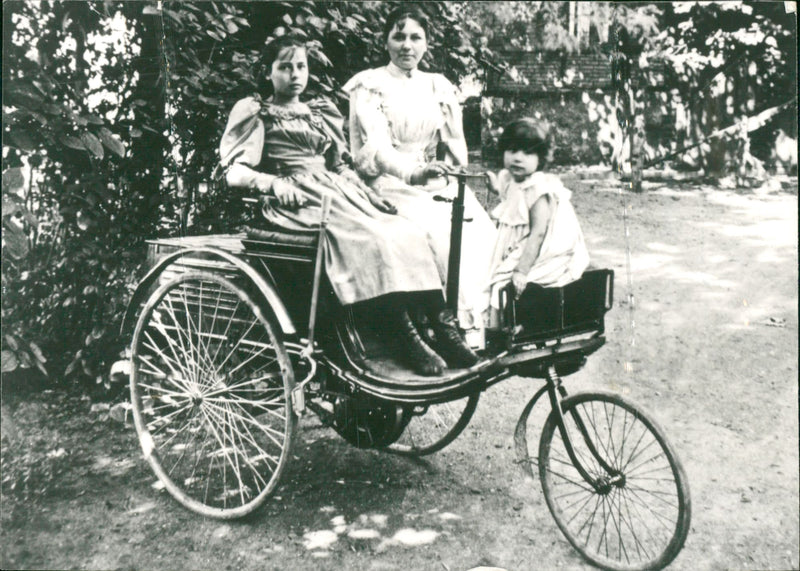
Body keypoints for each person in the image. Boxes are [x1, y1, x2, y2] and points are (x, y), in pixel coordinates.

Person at [220, 35, 478, 375]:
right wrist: (273, 183)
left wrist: (369, 195)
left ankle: (443, 328)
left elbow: (340, 165)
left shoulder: (318, 112)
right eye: (285, 67)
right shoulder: (256, 112)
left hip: (338, 193)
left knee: (405, 230)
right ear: (268, 72)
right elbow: (235, 172)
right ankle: (403, 333)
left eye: (301, 67)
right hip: (296, 201)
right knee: (371, 238)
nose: (295, 75)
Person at [342, 7, 497, 338]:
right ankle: (448, 330)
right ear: (385, 41)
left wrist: (458, 177)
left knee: (479, 229)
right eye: (398, 37)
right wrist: (414, 173)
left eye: (416, 37)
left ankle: (486, 328)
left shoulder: (437, 85)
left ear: (426, 43)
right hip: (388, 181)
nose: (407, 46)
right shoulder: (370, 85)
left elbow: (455, 144)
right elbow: (378, 148)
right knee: (441, 235)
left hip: (430, 178)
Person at [483, 118, 590, 329]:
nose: (518, 158)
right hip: (517, 240)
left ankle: (503, 329)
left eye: (527, 153)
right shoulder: (510, 178)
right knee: (487, 273)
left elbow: (538, 233)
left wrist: (522, 270)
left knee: (501, 283)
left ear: (540, 158)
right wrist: (496, 187)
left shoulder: (538, 189)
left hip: (540, 248)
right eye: (512, 150)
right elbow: (511, 199)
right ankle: (499, 328)